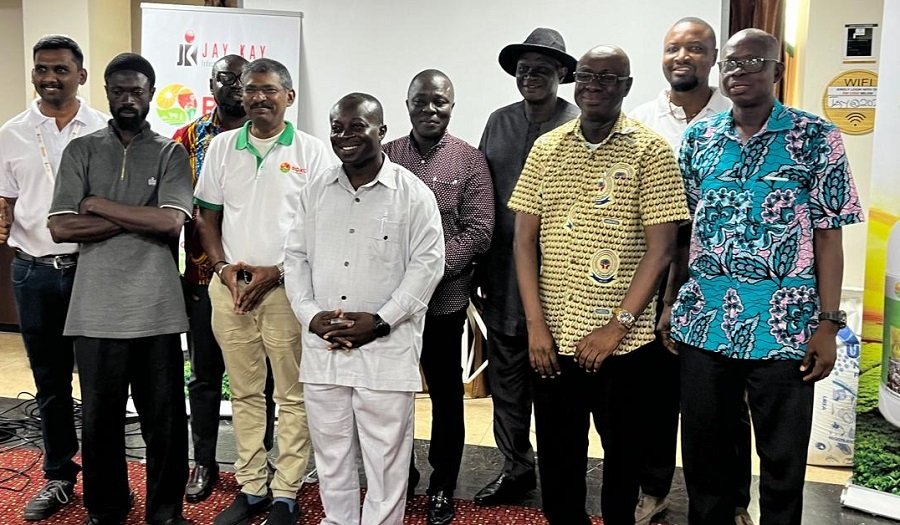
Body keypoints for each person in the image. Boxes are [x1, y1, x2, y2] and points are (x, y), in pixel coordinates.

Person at [667, 28, 864, 525]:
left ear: (778, 71)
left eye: (754, 62)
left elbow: (828, 238)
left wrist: (827, 323)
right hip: (705, 322)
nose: (740, 72)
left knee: (782, 461)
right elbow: (683, 230)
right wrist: (671, 302)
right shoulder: (699, 137)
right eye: (731, 63)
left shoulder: (817, 136)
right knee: (705, 456)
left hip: (786, 327)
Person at [509, 45, 690, 525]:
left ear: (627, 86)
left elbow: (662, 250)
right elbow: (524, 243)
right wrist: (535, 328)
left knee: (623, 465)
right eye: (587, 75)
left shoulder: (653, 152)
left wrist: (617, 326)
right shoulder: (547, 149)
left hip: (625, 348)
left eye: (609, 77)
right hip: (554, 342)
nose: (595, 84)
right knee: (559, 460)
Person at [283, 93, 445, 525]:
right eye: (337, 127)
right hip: (325, 346)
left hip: (386, 351)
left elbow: (428, 265)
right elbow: (294, 257)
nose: (345, 136)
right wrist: (311, 315)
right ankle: (338, 521)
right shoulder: (314, 191)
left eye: (358, 126)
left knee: (386, 461)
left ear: (382, 132)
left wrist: (379, 321)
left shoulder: (413, 194)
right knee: (331, 455)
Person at [47, 52, 192, 525]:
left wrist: (96, 204)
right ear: (106, 92)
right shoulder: (81, 150)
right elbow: (62, 228)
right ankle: (106, 509)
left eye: (137, 91)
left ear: (151, 93)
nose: (128, 99)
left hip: (157, 309)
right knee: (100, 423)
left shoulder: (171, 152)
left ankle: (165, 512)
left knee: (165, 423)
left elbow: (171, 223)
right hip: (96, 310)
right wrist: (136, 216)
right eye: (119, 91)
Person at [194, 57, 329, 525]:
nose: (258, 97)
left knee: (291, 394)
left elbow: (322, 226)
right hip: (230, 288)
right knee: (246, 393)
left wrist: (279, 272)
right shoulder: (222, 148)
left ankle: (287, 491)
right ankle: (251, 487)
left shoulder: (313, 153)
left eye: (269, 90)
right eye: (251, 89)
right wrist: (222, 267)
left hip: (288, 290)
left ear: (289, 97)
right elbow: (206, 216)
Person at [628, 17, 749, 525]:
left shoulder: (736, 115)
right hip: (652, 276)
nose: (683, 57)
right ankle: (653, 491)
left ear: (714, 57)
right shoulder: (639, 118)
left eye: (696, 49)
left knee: (723, 407)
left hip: (721, 286)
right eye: (673, 48)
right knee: (653, 398)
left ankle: (733, 500)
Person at [0, 35, 108, 522]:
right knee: (49, 382)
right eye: (42, 69)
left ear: (80, 76)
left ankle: (107, 482)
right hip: (34, 271)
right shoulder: (12, 133)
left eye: (61, 70)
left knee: (101, 381)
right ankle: (59, 476)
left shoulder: (105, 131)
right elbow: (5, 201)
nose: (50, 78)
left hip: (91, 271)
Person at [474, 27, 580, 507]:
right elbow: (479, 196)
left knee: (556, 388)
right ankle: (516, 467)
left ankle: (561, 478)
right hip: (500, 280)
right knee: (506, 385)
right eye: (523, 69)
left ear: (561, 73)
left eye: (541, 68)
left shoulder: (579, 124)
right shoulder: (498, 122)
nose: (530, 76)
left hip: (561, 285)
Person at [383, 69, 494, 525]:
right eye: (421, 101)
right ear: (407, 103)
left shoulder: (469, 160)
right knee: (391, 396)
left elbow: (480, 230)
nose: (430, 110)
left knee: (447, 398)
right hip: (388, 307)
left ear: (452, 105)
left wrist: (425, 273)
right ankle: (398, 476)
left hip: (443, 304)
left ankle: (443, 485)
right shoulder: (386, 156)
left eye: (440, 102)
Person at [172, 53, 278, 504]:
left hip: (271, 283)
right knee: (204, 378)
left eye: (244, 80)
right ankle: (205, 462)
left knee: (264, 381)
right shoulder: (189, 138)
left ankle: (264, 462)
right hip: (204, 279)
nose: (236, 87)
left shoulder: (282, 141)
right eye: (225, 79)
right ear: (211, 84)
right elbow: (184, 211)